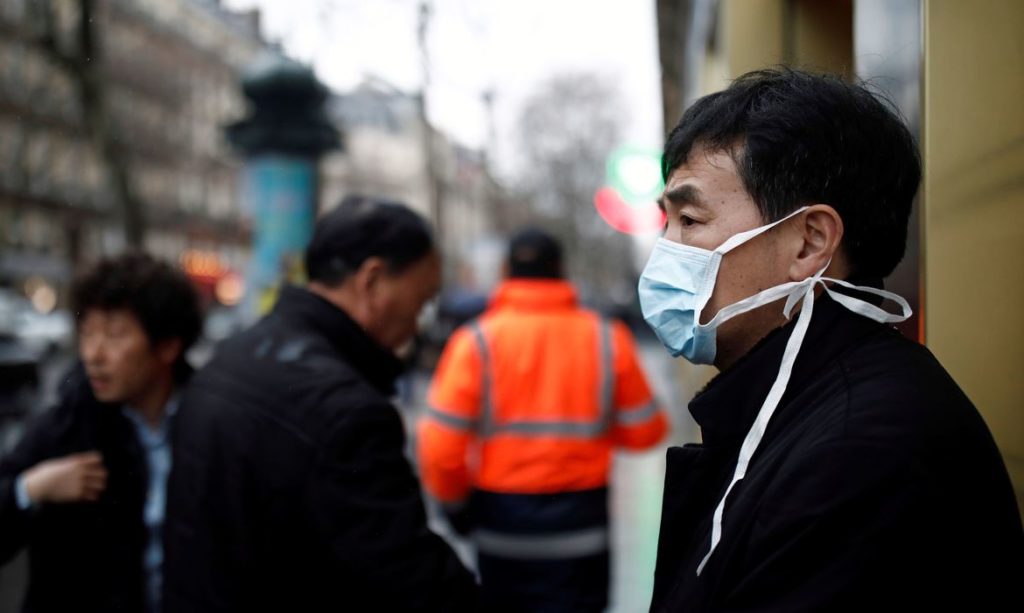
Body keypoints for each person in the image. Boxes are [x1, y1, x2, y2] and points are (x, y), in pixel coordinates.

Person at [641, 68, 1024, 611]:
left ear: (809, 244)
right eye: (667, 222)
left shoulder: (860, 456)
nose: (666, 251)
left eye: (689, 219)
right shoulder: (809, 404)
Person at [163, 196, 478, 612]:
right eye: (421, 301)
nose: (419, 321)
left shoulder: (227, 359)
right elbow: (414, 583)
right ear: (372, 282)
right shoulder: (349, 413)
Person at [419, 227, 669, 612]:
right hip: (582, 527)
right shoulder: (606, 337)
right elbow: (647, 432)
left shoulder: (476, 342)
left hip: (501, 527)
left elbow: (440, 447)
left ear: (505, 270)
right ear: (560, 269)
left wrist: (456, 509)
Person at [0, 252, 202, 612]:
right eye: (86, 333)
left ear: (168, 346)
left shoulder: (213, 425)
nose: (93, 354)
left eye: (114, 335)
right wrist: (31, 488)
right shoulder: (66, 426)